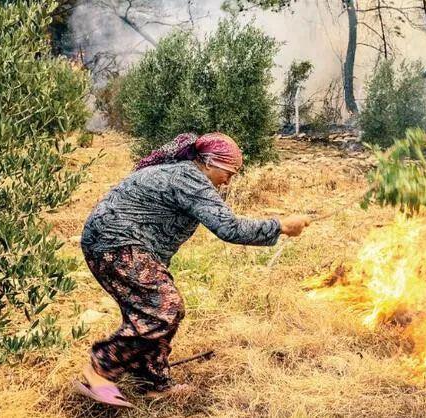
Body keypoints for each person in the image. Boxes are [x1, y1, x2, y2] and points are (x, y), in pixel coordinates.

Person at [73, 132, 311, 407]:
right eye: (229, 173)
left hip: (110, 243)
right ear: (209, 162)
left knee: (152, 311)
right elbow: (230, 228)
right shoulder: (189, 179)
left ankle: (154, 383)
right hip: (115, 244)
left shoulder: (183, 174)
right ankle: (100, 369)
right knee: (164, 309)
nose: (228, 181)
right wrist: (281, 226)